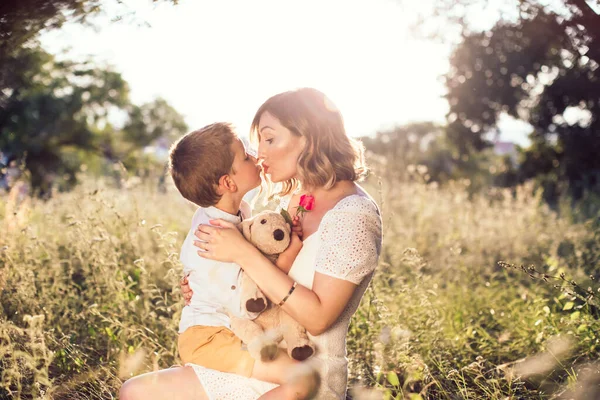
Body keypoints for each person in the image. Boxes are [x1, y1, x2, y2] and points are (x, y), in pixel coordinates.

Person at [119, 88, 383, 400]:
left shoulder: (353, 215)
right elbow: (253, 268)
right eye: (257, 142)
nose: (259, 153)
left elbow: (318, 318)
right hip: (258, 350)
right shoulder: (294, 199)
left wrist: (241, 254)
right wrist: (208, 280)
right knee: (134, 392)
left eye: (269, 139)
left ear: (309, 137)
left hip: (306, 372)